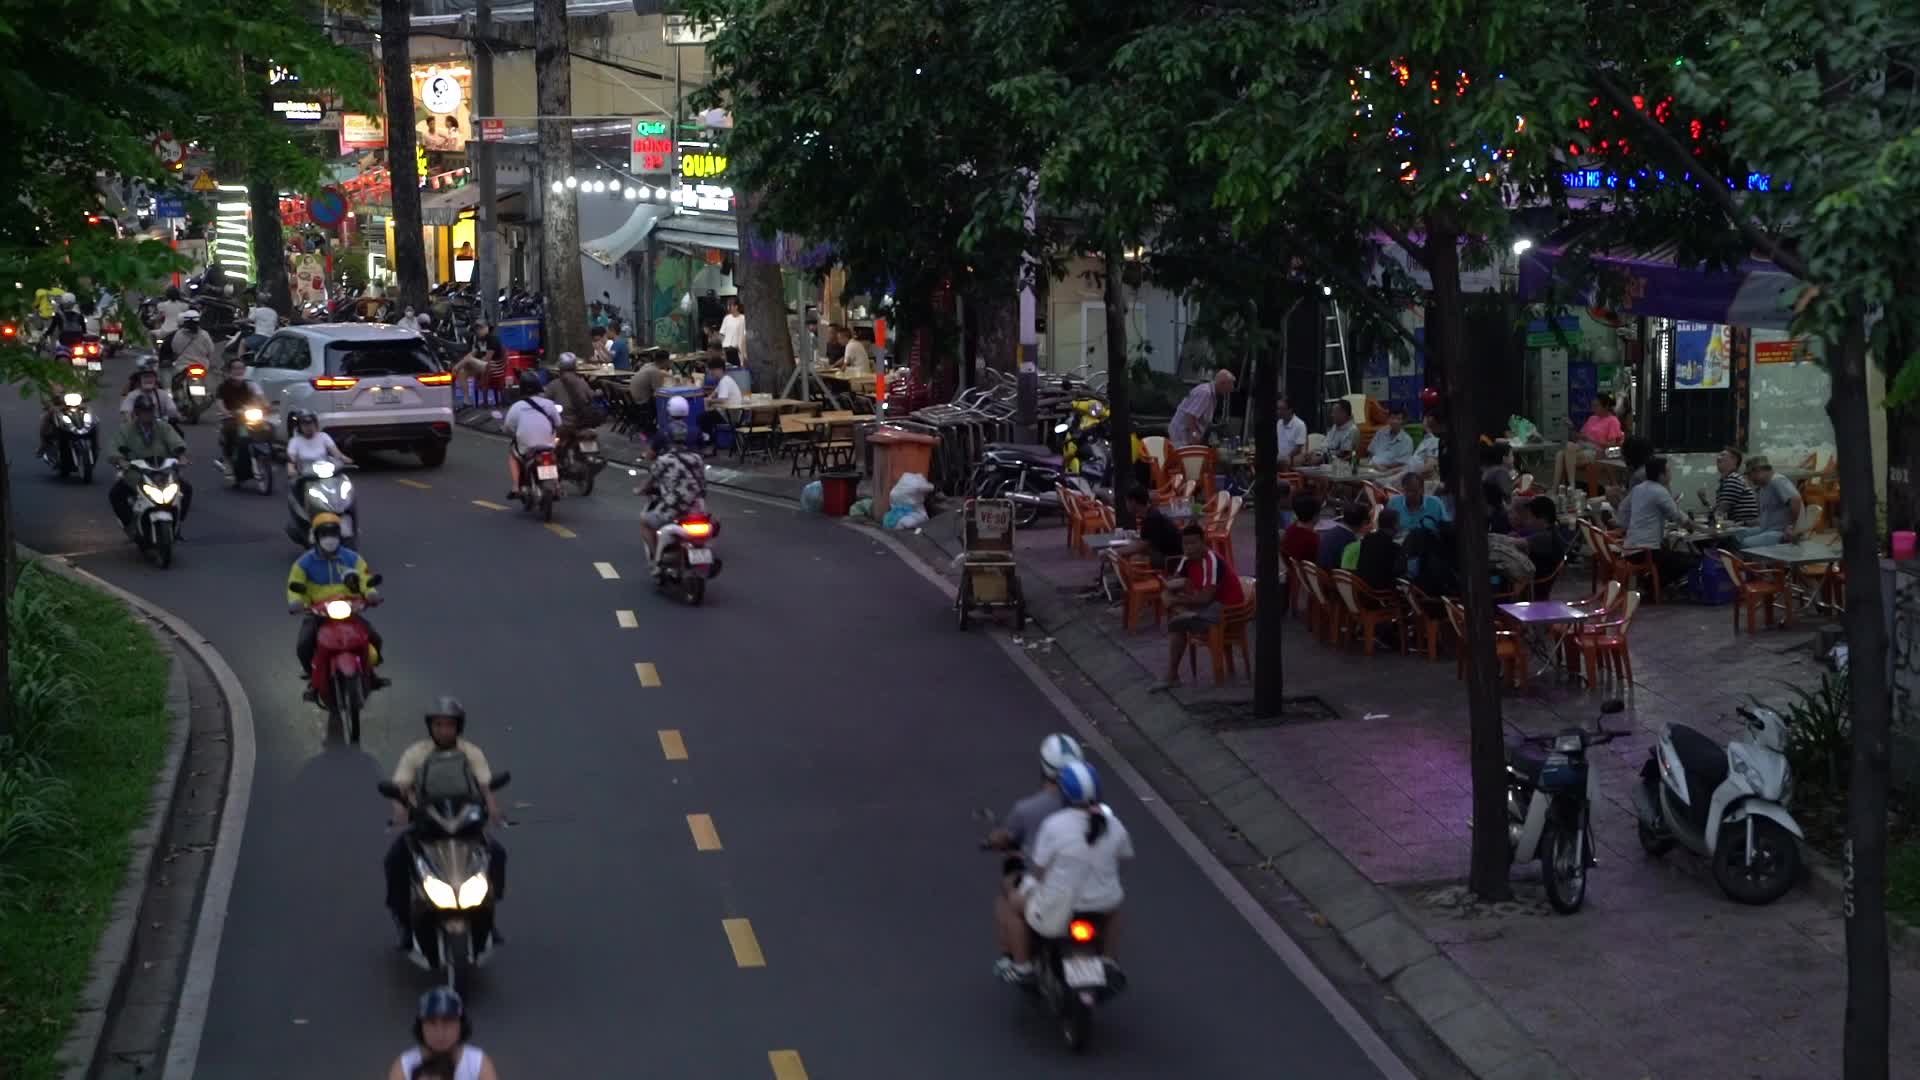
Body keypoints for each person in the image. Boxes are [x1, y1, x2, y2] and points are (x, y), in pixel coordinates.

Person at [383, 699, 509, 952]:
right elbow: (401, 788)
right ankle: (405, 924)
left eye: (449, 725)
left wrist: (493, 810)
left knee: (496, 853)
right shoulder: (416, 753)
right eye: (438, 725)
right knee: (395, 859)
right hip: (426, 820)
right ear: (431, 727)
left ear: (458, 727)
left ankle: (487, 913)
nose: (443, 730)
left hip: (464, 820)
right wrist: (400, 812)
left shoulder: (470, 752)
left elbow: (485, 787)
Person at [999, 761, 1132, 980]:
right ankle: (1109, 962)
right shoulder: (1114, 824)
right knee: (1115, 911)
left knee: (1013, 904)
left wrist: (1029, 885)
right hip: (1102, 903)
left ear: (1065, 793)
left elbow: (1038, 869)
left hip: (1058, 907)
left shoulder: (1054, 824)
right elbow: (1124, 861)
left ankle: (1022, 966)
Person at [988, 733, 1085, 980]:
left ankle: (1020, 964)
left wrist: (995, 840)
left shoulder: (1027, 809)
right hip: (1087, 884)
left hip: (1048, 887)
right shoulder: (1094, 809)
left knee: (1010, 898)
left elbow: (1010, 840)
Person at [286, 511, 383, 691]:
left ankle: (371, 674)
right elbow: (295, 585)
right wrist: (296, 602)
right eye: (324, 534)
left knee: (375, 638)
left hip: (350, 609)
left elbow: (365, 579)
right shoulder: (303, 563)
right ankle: (313, 678)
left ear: (339, 535)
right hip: (317, 612)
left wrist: (371, 594)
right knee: (304, 645)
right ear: (316, 537)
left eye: (333, 534)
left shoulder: (353, 559)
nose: (329, 539)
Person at [1153, 525, 1246, 690]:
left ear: (1203, 542)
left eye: (1193, 543)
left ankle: (1171, 676)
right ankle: (1172, 674)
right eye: (1185, 544)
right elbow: (1175, 581)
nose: (1189, 548)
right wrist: (1170, 591)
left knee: (1177, 622)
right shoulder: (1187, 558)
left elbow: (1204, 598)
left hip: (1227, 610)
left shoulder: (1212, 561)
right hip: (1210, 605)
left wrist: (1176, 601)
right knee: (1177, 614)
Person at [635, 408, 707, 573]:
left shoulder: (664, 460)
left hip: (672, 508)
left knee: (646, 523)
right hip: (697, 507)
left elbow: (650, 481)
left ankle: (656, 560)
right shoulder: (697, 458)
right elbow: (703, 486)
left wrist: (640, 490)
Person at [109, 396, 192, 534]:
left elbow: (175, 442)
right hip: (136, 473)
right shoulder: (126, 429)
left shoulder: (163, 427)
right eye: (143, 411)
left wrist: (181, 456)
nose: (147, 414)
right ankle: (129, 525)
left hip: (163, 472)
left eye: (149, 411)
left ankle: (178, 524)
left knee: (187, 490)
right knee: (115, 495)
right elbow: (114, 446)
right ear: (136, 412)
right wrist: (120, 460)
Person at [1620, 456, 1698, 593]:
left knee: (1671, 555)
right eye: (1668, 471)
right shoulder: (1660, 491)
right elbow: (1677, 516)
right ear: (1661, 475)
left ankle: (1649, 584)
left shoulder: (1638, 488)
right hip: (1646, 551)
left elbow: (1623, 509)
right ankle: (1649, 587)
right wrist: (1695, 527)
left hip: (1629, 548)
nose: (1670, 474)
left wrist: (1629, 527)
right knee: (1691, 561)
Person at [387, 988, 499, 1080]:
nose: (439, 1032)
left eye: (448, 1022)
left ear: (461, 1025)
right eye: (431, 1023)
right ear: (421, 1027)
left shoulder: (478, 1063)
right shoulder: (404, 1066)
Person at [501, 372, 560, 498]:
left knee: (513, 455)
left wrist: (512, 432)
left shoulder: (517, 407)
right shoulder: (549, 404)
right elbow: (558, 423)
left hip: (526, 445)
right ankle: (556, 484)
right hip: (548, 443)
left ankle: (516, 486)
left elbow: (508, 428)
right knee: (553, 457)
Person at [1552, 392, 1625, 489]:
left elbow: (1611, 446)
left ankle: (1568, 487)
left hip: (1598, 451)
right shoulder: (1592, 418)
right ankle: (1558, 487)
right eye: (1592, 405)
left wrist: (1591, 440)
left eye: (1596, 406)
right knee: (1562, 452)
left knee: (1564, 454)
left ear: (1606, 406)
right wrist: (1571, 427)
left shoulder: (1612, 421)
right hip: (1582, 446)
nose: (1593, 408)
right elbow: (1579, 437)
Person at [1735, 455, 1805, 549]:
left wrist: (1791, 527)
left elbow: (1795, 500)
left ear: (1758, 470)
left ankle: (1757, 563)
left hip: (1781, 532)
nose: (1750, 479)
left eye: (1750, 475)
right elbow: (1764, 517)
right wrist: (1743, 523)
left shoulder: (1777, 481)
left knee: (1745, 543)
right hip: (1767, 529)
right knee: (1736, 535)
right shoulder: (1763, 487)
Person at [212, 356, 268, 470]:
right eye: (235, 368)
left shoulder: (250, 384)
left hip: (249, 416)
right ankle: (227, 459)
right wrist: (226, 412)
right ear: (229, 371)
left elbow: (260, 397)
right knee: (229, 431)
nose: (239, 371)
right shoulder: (223, 387)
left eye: (241, 368)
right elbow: (219, 403)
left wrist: (266, 406)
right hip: (231, 417)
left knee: (267, 429)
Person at [284, 410, 353, 498]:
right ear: (299, 426)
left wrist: (344, 459)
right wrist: (291, 469)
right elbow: (291, 459)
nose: (308, 427)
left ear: (315, 424)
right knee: (297, 492)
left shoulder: (323, 436)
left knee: (342, 491)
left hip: (325, 474)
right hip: (305, 477)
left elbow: (336, 453)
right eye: (304, 424)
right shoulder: (294, 441)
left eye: (310, 423)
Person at [1511, 495, 1568, 595]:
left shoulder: (1545, 537)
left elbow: (1514, 543)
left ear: (1543, 518)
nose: (1528, 521)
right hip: (1533, 583)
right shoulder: (1552, 531)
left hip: (1533, 588)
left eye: (1530, 517)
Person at [1114, 487, 1182, 568]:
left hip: (1171, 559)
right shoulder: (1151, 513)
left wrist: (1113, 552)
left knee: (1134, 559)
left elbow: (1140, 546)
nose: (1126, 505)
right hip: (1165, 554)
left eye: (1126, 501)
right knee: (1130, 554)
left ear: (1133, 502)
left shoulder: (1151, 518)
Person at [1170, 368, 1235, 447]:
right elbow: (1190, 416)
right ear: (1222, 383)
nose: (1229, 391)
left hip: (1188, 433)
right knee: (1185, 457)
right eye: (1228, 388)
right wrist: (1194, 435)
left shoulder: (1212, 394)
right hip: (1181, 434)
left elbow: (1203, 419)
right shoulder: (1205, 393)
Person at [1697, 446, 1759, 525]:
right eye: (1719, 455)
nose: (1718, 458)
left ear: (1734, 460)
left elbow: (1720, 512)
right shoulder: (1728, 480)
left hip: (1744, 527)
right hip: (1738, 526)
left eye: (1723, 455)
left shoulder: (1733, 480)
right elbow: (1719, 512)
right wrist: (1705, 501)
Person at [699, 354, 744, 452]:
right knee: (706, 416)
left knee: (702, 418)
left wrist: (710, 401)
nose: (711, 373)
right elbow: (715, 393)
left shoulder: (725, 381)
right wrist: (709, 398)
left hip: (730, 415)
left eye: (712, 370)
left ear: (719, 369)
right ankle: (710, 442)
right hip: (729, 413)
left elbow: (722, 399)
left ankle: (709, 444)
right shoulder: (724, 380)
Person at [1386, 468, 1450, 533]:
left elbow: (1447, 527)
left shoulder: (1435, 503)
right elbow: (1386, 529)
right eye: (1407, 491)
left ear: (1422, 490)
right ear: (1403, 489)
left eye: (1414, 491)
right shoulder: (1393, 503)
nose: (1410, 495)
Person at [1356, 507, 1404, 592]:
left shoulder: (1367, 539)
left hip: (1361, 586)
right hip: (1379, 592)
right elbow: (1398, 572)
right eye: (1398, 522)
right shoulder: (1393, 548)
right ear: (1395, 525)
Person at [547, 352, 597, 426]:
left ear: (559, 366)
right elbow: (591, 397)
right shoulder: (582, 383)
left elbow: (546, 402)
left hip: (560, 424)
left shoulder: (553, 384)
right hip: (579, 423)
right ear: (575, 366)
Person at [1318, 502, 1370, 570]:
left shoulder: (1327, 533)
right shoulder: (1352, 543)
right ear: (1364, 522)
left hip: (1321, 576)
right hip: (1335, 578)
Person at [168, 309, 215, 373]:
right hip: (201, 367)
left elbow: (175, 349)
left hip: (182, 367)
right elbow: (211, 350)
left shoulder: (178, 334)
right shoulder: (204, 334)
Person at [1281, 495, 1324, 565]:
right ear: (1315, 516)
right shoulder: (1313, 539)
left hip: (1293, 573)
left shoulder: (1290, 529)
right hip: (1305, 574)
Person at [152, 286, 190, 364]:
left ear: (167, 295)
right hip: (179, 331)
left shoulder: (162, 305)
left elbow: (158, 317)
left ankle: (157, 352)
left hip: (166, 331)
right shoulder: (184, 306)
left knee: (151, 334)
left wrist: (152, 319)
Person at [1274, 395, 1308, 466]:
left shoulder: (1300, 425)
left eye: (1282, 409)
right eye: (1278, 409)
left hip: (1293, 459)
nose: (1279, 411)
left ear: (1290, 410)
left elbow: (1298, 448)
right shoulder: (1279, 423)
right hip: (1280, 459)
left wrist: (1286, 458)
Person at [244, 288, 278, 358]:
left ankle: (239, 362)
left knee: (242, 342)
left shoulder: (258, 310)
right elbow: (276, 325)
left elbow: (248, 320)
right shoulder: (274, 312)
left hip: (260, 337)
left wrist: (236, 321)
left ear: (258, 302)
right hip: (271, 338)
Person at [719, 297, 747, 368]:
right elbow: (722, 334)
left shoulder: (743, 318)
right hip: (725, 350)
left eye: (730, 305)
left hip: (736, 351)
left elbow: (744, 337)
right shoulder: (726, 318)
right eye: (728, 305)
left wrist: (744, 354)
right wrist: (720, 350)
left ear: (736, 307)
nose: (728, 307)